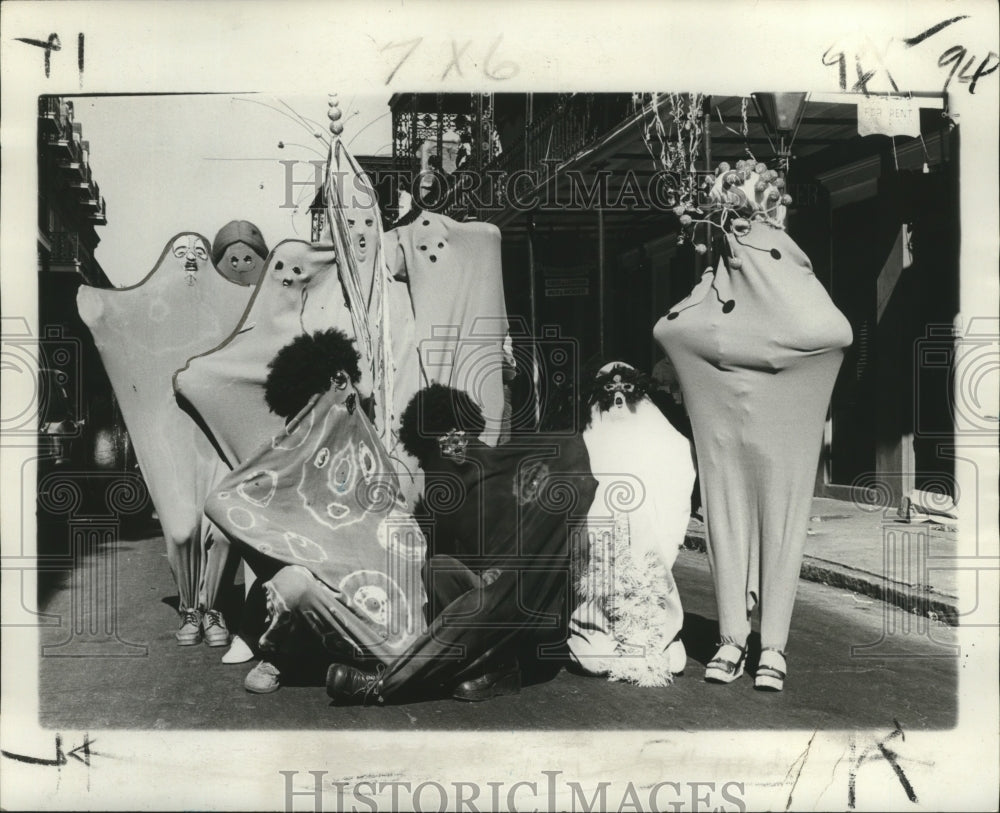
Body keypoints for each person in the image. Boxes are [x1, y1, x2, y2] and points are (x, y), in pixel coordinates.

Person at [653, 163, 852, 691]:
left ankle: (773, 646)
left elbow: (832, 333)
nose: (734, 230)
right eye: (728, 218)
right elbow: (671, 329)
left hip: (783, 415)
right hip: (724, 416)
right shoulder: (715, 276)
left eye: (741, 214)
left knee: (781, 526)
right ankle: (732, 637)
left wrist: (761, 344)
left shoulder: (781, 256)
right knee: (725, 523)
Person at [325, 384, 598, 704]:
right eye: (434, 453)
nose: (432, 466)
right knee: (439, 569)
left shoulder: (519, 470)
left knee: (482, 599)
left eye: (451, 441)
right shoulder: (452, 493)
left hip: (528, 611)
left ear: (458, 437)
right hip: (492, 616)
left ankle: (383, 686)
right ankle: (494, 667)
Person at [204, 329, 428, 693]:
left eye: (343, 400)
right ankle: (286, 652)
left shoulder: (372, 461)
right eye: (316, 408)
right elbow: (222, 501)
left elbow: (398, 532)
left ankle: (378, 663)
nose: (333, 413)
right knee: (291, 583)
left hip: (375, 610)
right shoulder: (290, 465)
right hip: (324, 604)